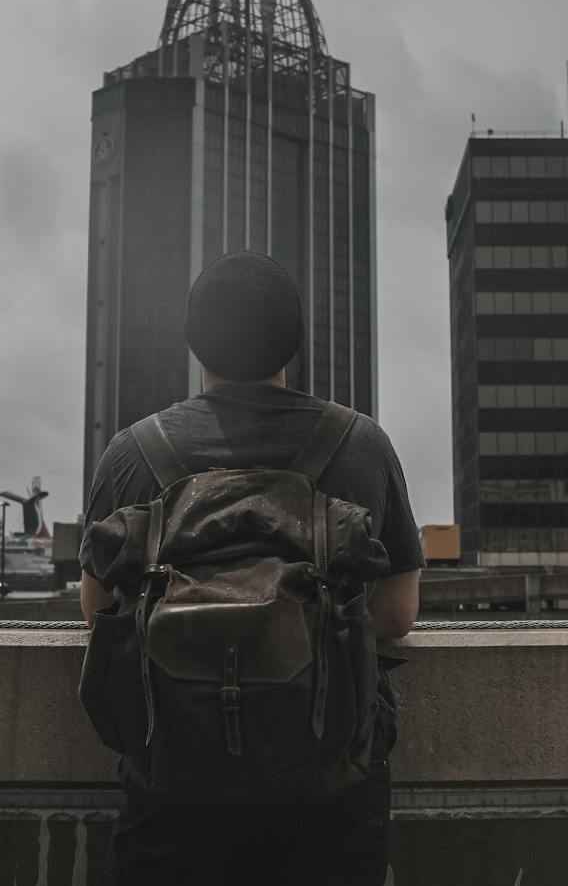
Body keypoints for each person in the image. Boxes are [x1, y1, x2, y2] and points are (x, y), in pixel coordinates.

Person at [80, 250, 422, 885]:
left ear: (195, 339)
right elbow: (397, 613)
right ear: (294, 340)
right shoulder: (360, 444)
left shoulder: (132, 454)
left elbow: (99, 610)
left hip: (172, 789)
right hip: (327, 793)